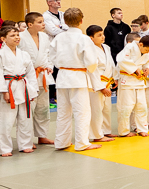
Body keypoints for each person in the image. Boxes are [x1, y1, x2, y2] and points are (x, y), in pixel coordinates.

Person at [50, 8, 100, 151]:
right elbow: (91, 62)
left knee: (63, 112)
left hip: (63, 76)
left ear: (64, 21)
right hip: (78, 77)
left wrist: (62, 65)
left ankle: (61, 142)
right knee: (82, 111)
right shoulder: (84, 39)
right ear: (81, 21)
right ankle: (82, 143)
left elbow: (52, 57)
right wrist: (88, 69)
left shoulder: (59, 37)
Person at [18, 12, 53, 145]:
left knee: (43, 108)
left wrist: (49, 66)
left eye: (43, 21)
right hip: (27, 76)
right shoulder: (20, 37)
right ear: (30, 24)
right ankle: (27, 140)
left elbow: (48, 54)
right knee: (28, 109)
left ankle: (42, 136)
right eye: (40, 22)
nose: (43, 24)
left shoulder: (44, 37)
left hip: (43, 75)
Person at [116, 34, 149, 137]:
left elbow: (146, 61)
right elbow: (121, 60)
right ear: (140, 44)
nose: (148, 52)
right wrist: (135, 69)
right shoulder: (130, 47)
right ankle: (124, 131)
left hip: (139, 82)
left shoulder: (146, 51)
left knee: (142, 107)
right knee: (126, 107)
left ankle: (142, 129)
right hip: (127, 81)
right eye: (146, 50)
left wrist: (147, 68)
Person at [85, 25, 115, 142]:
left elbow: (111, 63)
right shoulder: (89, 50)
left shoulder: (106, 47)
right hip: (97, 83)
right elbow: (93, 70)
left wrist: (115, 77)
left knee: (107, 108)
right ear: (91, 38)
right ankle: (97, 135)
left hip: (108, 81)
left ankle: (106, 131)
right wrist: (101, 87)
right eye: (99, 35)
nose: (103, 37)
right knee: (96, 109)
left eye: (102, 34)